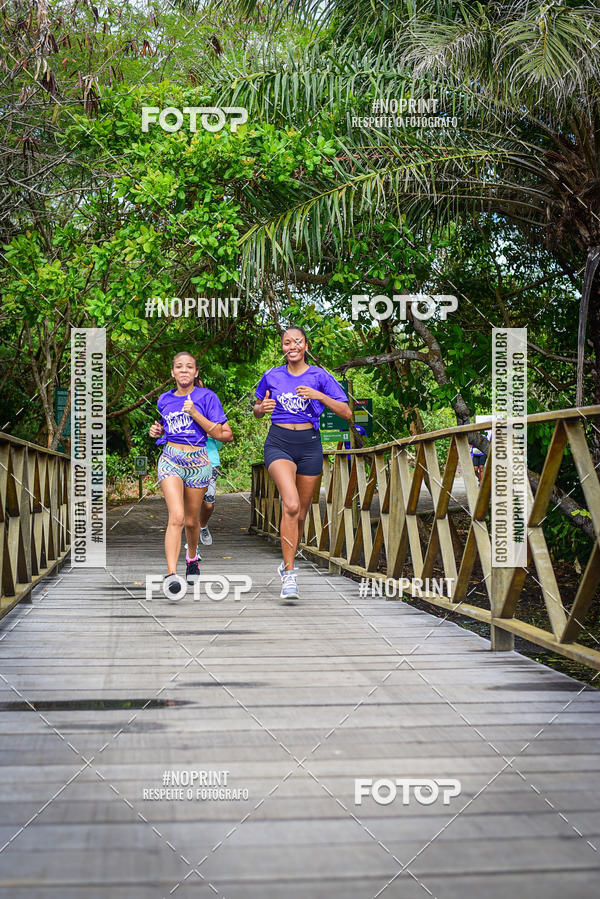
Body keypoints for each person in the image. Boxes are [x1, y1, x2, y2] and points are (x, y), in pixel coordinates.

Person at [253, 326, 352, 600]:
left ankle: (288, 559)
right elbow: (257, 410)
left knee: (302, 513)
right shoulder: (272, 375)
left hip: (310, 444)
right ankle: (289, 572)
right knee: (291, 504)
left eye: (297, 341)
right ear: (283, 347)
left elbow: (346, 412)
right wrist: (262, 409)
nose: (292, 346)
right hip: (279, 442)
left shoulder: (321, 376)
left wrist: (320, 396)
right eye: (287, 342)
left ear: (306, 345)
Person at [149, 351, 233, 595]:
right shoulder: (164, 400)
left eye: (189, 367)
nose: (183, 370)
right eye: (178, 366)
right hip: (171, 459)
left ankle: (192, 557)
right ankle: (171, 575)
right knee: (176, 516)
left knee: (191, 521)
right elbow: (168, 428)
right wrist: (158, 431)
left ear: (195, 373)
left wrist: (196, 413)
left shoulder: (207, 397)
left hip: (198, 461)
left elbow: (225, 435)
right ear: (173, 372)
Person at [199, 436, 222, 545]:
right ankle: (191, 544)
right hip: (189, 463)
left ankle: (202, 526)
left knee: (209, 505)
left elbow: (219, 444)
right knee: (190, 503)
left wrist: (212, 433)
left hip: (211, 462)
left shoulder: (214, 419)